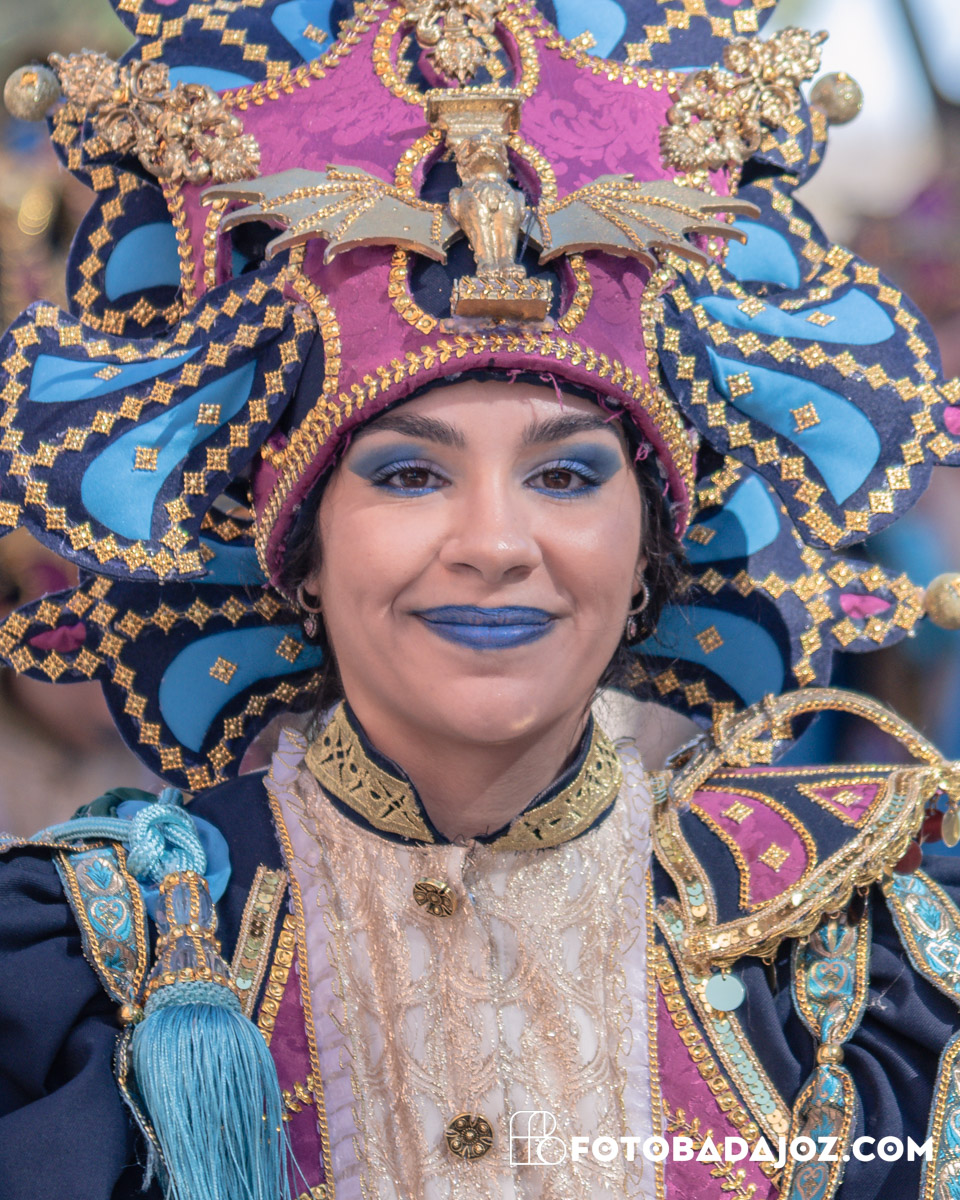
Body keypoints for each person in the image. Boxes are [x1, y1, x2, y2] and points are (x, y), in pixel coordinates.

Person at [2, 2, 960, 1199]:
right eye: (410, 475)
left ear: (651, 546)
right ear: (297, 546)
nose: (497, 545)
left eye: (567, 477)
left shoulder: (852, 967)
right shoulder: (95, 970)